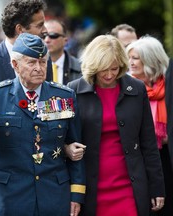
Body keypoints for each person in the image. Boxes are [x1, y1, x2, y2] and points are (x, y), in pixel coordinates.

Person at [0, 32, 85, 216]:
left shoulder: (62, 96)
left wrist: (76, 194)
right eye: (31, 62)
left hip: (53, 195)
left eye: (42, 62)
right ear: (15, 65)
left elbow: (76, 147)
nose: (38, 68)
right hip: (9, 196)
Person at [67, 35, 165, 216]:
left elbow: (148, 143)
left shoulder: (136, 88)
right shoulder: (73, 90)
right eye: (104, 69)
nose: (110, 74)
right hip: (91, 186)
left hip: (130, 184)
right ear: (93, 65)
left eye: (115, 68)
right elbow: (66, 139)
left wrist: (157, 186)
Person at [126, 35, 173, 216]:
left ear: (150, 60)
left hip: (167, 157)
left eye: (135, 58)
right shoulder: (130, 89)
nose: (130, 62)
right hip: (144, 159)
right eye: (129, 57)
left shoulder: (169, 85)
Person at [44, 19, 82, 84]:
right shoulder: (32, 67)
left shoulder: (81, 69)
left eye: (53, 35)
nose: (47, 40)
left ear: (65, 40)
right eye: (43, 36)